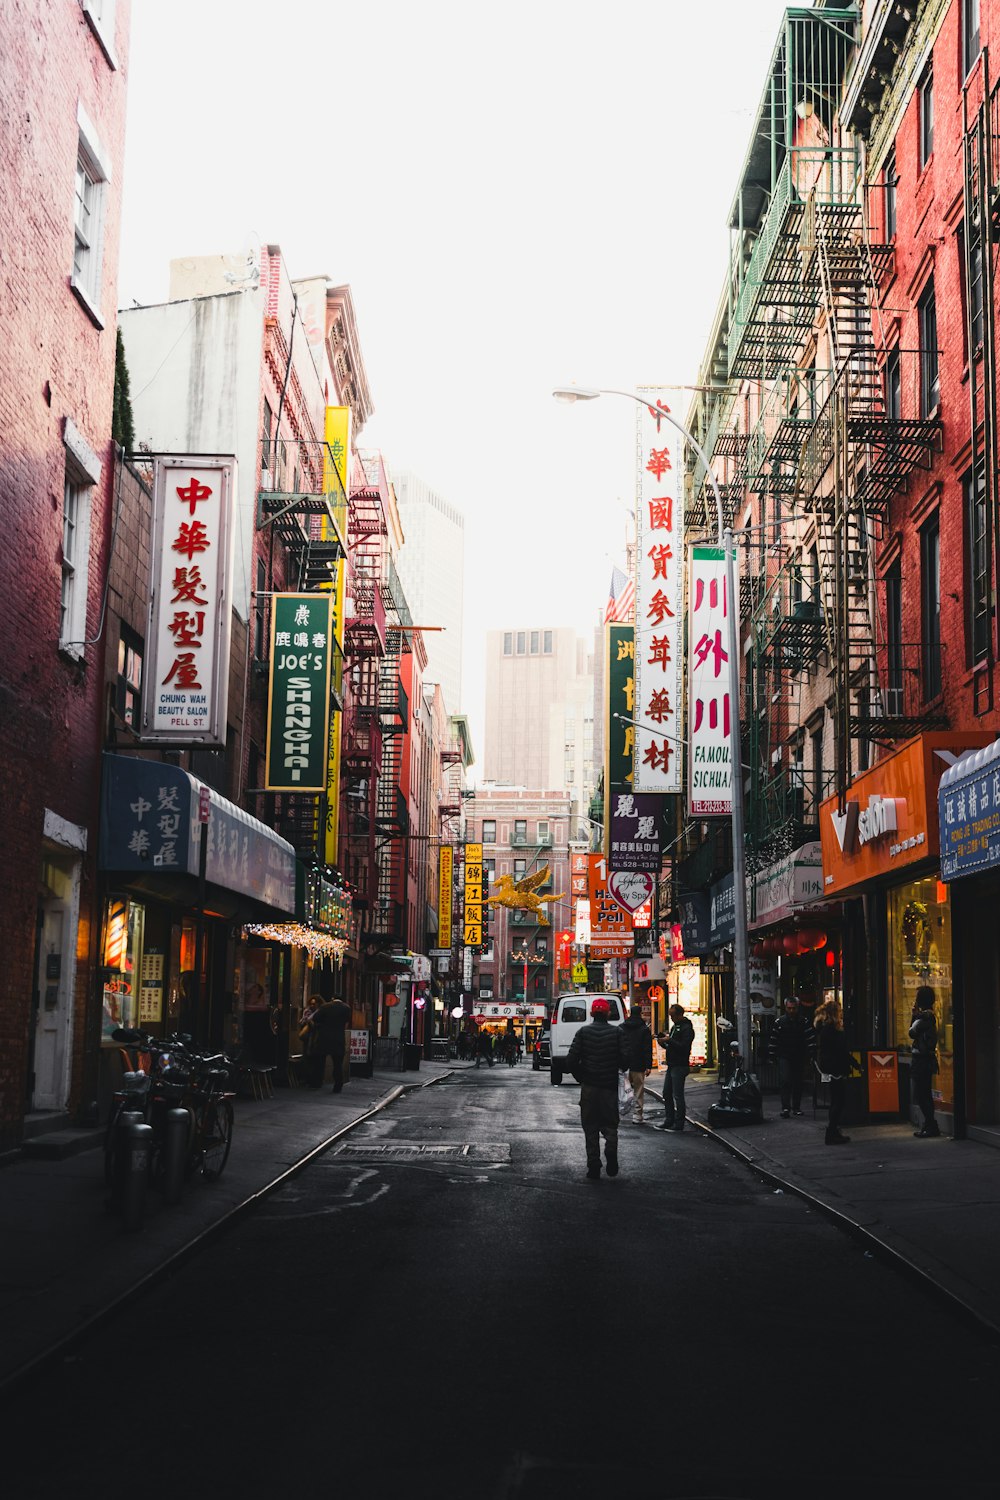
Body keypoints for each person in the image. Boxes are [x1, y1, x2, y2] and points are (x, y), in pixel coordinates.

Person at [566, 997, 629, 1180]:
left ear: (592, 1013)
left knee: (590, 1127)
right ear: (608, 1013)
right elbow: (626, 1059)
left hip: (589, 1088)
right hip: (609, 1088)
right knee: (610, 1126)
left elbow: (571, 1060)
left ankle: (593, 1165)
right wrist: (617, 1069)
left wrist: (581, 1077)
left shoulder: (583, 1032)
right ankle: (611, 1150)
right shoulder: (617, 1032)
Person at [814, 998, 855, 1145]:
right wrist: (853, 1063)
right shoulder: (832, 1030)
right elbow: (841, 1051)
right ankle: (831, 1132)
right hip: (835, 1069)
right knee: (839, 1101)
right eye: (840, 1011)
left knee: (836, 1100)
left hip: (831, 1068)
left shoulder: (826, 1029)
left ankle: (833, 1131)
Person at [767, 996, 816, 1117]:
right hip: (785, 1055)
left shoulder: (802, 1022)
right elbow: (774, 1040)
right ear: (786, 1008)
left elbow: (810, 1039)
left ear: (797, 1008)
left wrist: (812, 1053)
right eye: (789, 1008)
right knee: (786, 1080)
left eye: (793, 1008)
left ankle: (795, 1107)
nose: (791, 1011)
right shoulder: (781, 1022)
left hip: (798, 1055)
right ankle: (786, 1107)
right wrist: (772, 1055)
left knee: (797, 1081)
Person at [655, 1003, 695, 1132]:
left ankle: (679, 1124)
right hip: (672, 1064)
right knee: (667, 1093)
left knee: (677, 1095)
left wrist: (668, 1040)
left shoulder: (686, 1028)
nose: (671, 1018)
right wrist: (663, 1043)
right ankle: (669, 1120)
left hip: (680, 1065)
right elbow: (672, 1046)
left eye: (672, 1015)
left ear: (679, 1014)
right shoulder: (675, 1027)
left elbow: (684, 1046)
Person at [909, 986, 941, 1138]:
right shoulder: (929, 1016)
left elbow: (912, 1032)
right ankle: (929, 1125)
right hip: (926, 1059)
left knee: (922, 1094)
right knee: (924, 1093)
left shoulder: (924, 1017)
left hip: (922, 1059)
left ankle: (930, 1125)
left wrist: (914, 1015)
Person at [309, 994, 352, 1092]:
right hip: (339, 1038)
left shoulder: (325, 1006)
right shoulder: (346, 1008)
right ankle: (338, 1085)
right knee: (337, 1063)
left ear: (332, 999)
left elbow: (315, 1018)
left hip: (324, 1037)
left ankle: (317, 1083)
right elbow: (346, 1021)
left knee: (320, 1061)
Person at [620, 1000, 653, 1122]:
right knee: (638, 1091)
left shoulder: (622, 1027)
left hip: (625, 1065)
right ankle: (637, 1115)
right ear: (640, 1014)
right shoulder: (644, 1029)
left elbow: (619, 1046)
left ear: (629, 1013)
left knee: (623, 1090)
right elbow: (647, 1049)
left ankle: (622, 1110)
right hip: (639, 1065)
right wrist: (648, 1065)